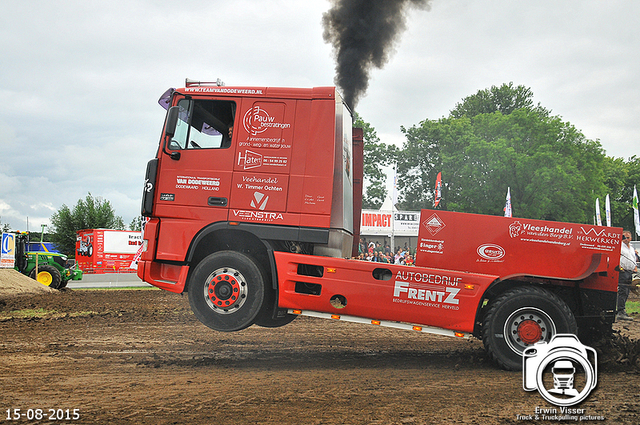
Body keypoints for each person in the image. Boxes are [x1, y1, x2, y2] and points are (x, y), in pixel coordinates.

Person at [617, 230, 637, 321]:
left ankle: (622, 310)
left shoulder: (632, 248)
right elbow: (616, 256)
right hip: (623, 271)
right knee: (623, 291)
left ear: (631, 238)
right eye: (624, 237)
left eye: (627, 237)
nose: (626, 239)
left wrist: (635, 267)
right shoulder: (620, 247)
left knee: (627, 292)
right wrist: (619, 266)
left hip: (630, 271)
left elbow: (632, 258)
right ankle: (620, 311)